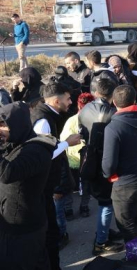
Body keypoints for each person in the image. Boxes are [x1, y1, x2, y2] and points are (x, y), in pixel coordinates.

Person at [0, 102, 57, 270]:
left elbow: (7, 174)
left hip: (24, 227)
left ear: (16, 124)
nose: (0, 129)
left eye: (3, 124)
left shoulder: (37, 149)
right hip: (12, 223)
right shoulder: (15, 144)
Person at [31, 81, 81, 270]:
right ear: (55, 100)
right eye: (67, 99)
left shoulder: (49, 115)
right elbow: (41, 155)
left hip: (47, 183)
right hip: (43, 186)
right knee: (50, 233)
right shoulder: (43, 121)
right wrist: (67, 143)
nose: (70, 103)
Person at [102, 85, 137, 242]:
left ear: (113, 102)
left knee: (125, 223)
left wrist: (107, 175)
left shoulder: (113, 127)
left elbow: (109, 163)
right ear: (134, 100)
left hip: (126, 183)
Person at [78, 78, 124, 256]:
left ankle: (103, 232)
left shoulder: (86, 108)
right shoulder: (111, 113)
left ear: (97, 92)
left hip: (89, 157)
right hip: (103, 160)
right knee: (107, 203)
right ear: (113, 94)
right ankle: (101, 242)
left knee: (103, 201)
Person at [60, 93, 95, 220]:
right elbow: (64, 139)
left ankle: (75, 208)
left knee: (76, 185)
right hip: (79, 159)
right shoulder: (76, 120)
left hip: (78, 159)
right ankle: (77, 207)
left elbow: (63, 138)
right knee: (79, 185)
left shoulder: (72, 120)